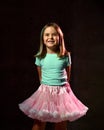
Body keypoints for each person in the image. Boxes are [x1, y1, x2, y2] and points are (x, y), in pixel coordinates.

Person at [18, 22, 88, 130]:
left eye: (54, 34)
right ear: (42, 38)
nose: (50, 37)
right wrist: (47, 89)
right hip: (45, 93)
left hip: (62, 94)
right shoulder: (40, 57)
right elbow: (41, 77)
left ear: (60, 37)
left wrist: (62, 89)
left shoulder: (65, 56)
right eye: (47, 35)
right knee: (39, 124)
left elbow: (67, 76)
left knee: (61, 124)